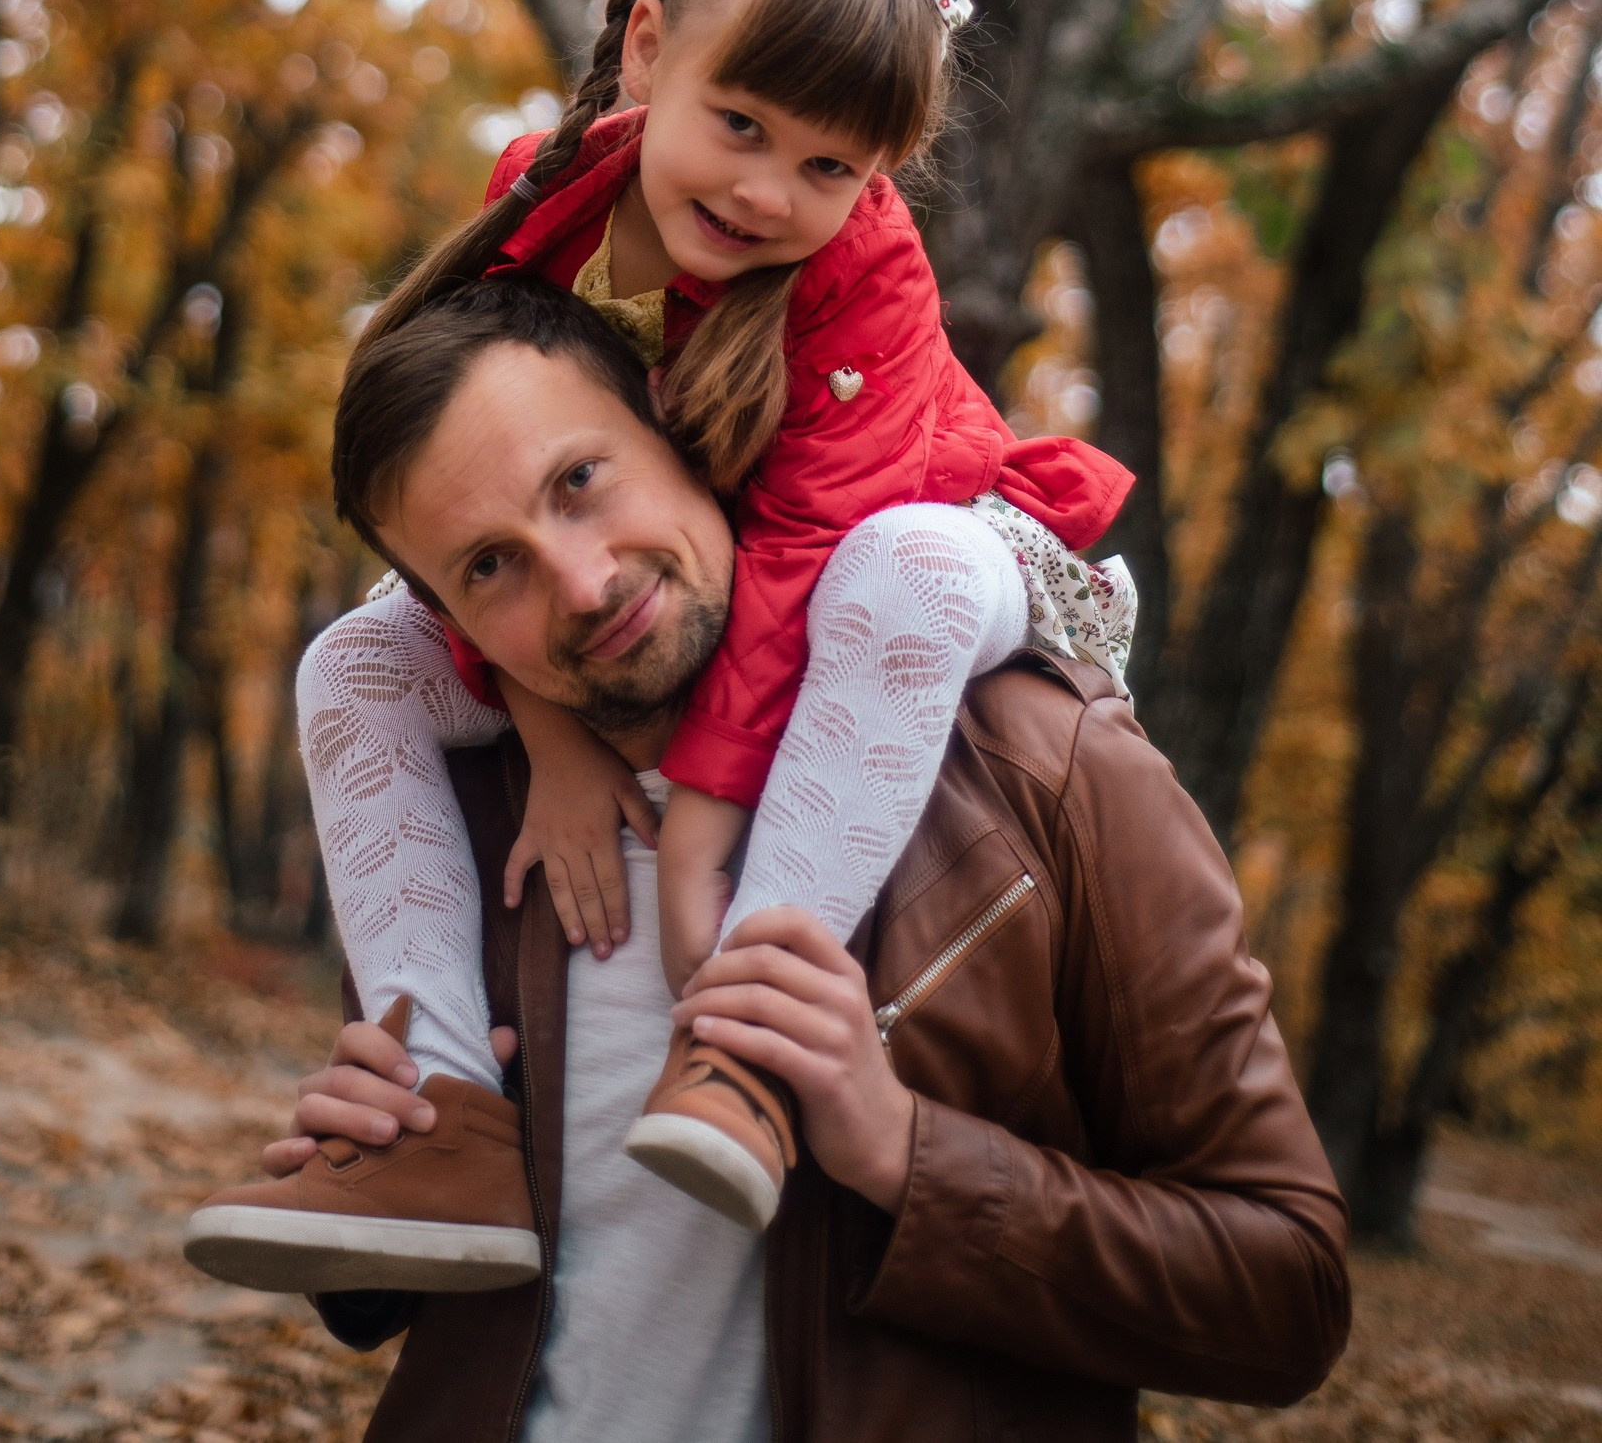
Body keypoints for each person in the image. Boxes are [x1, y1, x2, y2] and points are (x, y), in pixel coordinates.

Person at [185, 284, 1349, 1443]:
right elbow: (470, 1300)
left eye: (578, 481)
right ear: (449, 621)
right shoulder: (460, 813)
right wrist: (374, 1226)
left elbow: (1285, 1294)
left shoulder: (1040, 769)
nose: (581, 584)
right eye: (490, 565)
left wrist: (900, 1151)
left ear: (674, 423)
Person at [250, 0, 1132, 1245]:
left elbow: (801, 553)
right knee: (356, 662)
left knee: (902, 568)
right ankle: (437, 1107)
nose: (768, 192)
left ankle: (743, 1051)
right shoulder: (542, 202)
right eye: (741, 125)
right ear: (650, 50)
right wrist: (549, 738)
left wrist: (701, 839)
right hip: (658, 554)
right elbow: (488, 517)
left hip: (904, 543)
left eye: (829, 166)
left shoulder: (867, 279)